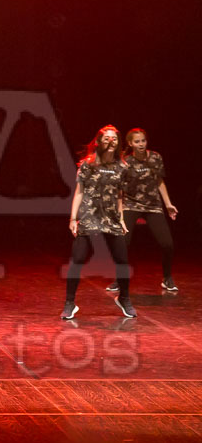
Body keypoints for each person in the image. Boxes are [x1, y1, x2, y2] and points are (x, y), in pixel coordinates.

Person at [62, 125, 135, 320]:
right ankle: (69, 303)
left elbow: (119, 195)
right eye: (107, 138)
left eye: (114, 138)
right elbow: (79, 192)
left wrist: (121, 219)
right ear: (99, 142)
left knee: (122, 261)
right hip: (90, 218)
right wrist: (73, 218)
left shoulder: (122, 167)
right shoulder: (88, 164)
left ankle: (124, 298)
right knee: (77, 260)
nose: (111, 141)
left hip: (111, 219)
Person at [106, 128, 178, 292]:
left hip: (153, 206)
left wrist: (168, 204)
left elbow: (159, 181)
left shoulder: (155, 157)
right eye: (137, 141)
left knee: (167, 244)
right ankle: (119, 278)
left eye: (143, 141)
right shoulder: (125, 162)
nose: (141, 144)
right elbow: (119, 189)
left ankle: (167, 278)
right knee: (123, 242)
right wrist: (119, 211)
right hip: (131, 205)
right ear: (130, 143)